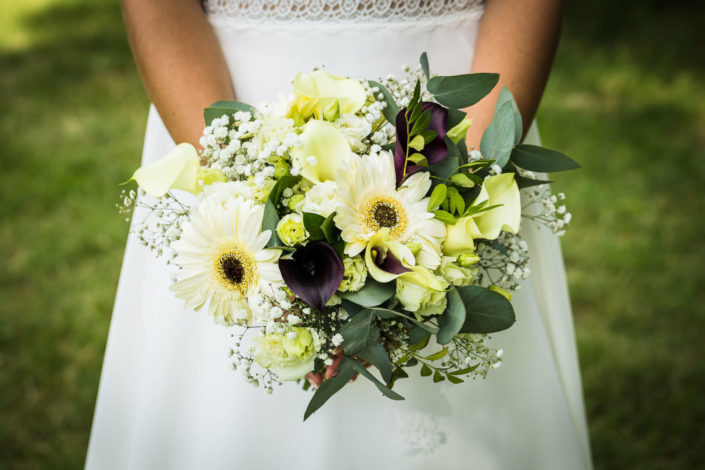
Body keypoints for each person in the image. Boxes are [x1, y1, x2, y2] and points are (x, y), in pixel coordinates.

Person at [86, 1, 592, 468]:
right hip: (220, 108)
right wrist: (242, 215)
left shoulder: (463, 164)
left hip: (453, 123)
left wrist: (457, 201)